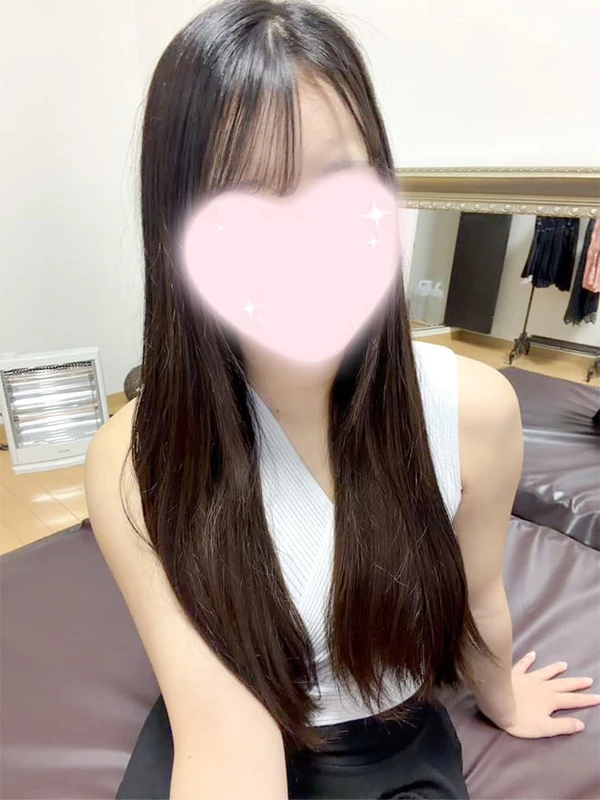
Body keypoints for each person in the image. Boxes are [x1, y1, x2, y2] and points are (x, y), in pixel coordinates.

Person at [83, 1, 600, 798]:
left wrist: (500, 694)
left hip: (388, 742)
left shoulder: (474, 411)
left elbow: (478, 594)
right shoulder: (135, 457)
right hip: (227, 715)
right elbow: (223, 740)